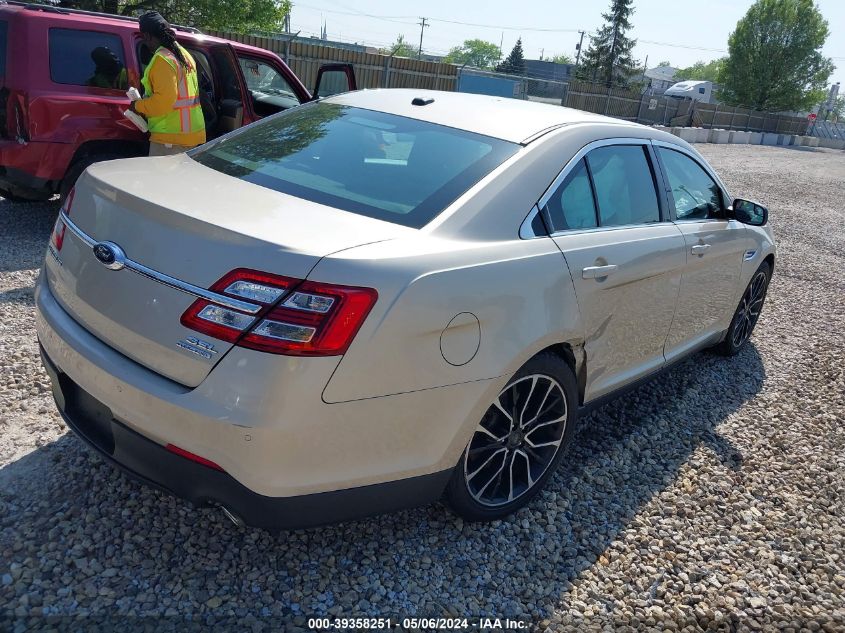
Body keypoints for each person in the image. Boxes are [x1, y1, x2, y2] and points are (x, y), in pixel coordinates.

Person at [131, 11, 206, 156]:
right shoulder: (185, 54)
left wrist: (137, 105)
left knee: (161, 179)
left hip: (170, 139)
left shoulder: (163, 60)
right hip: (190, 136)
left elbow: (163, 102)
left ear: (147, 35)